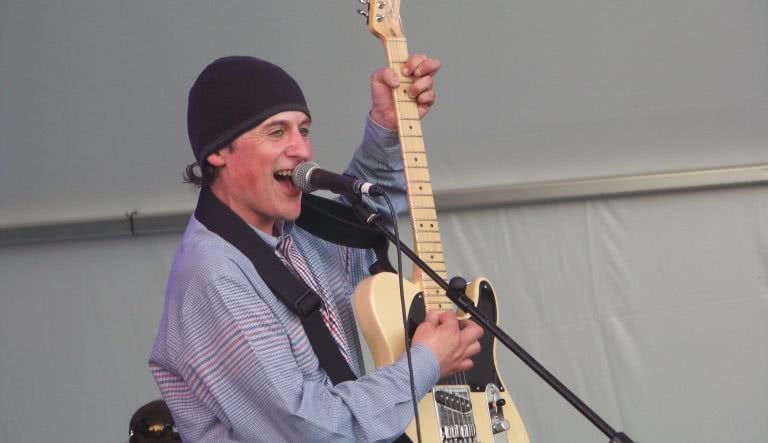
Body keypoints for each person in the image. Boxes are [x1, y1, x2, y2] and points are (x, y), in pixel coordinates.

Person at [149, 54, 483, 442]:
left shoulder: (295, 234)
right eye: (276, 132)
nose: (302, 150)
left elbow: (362, 221)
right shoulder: (215, 277)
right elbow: (310, 431)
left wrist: (389, 128)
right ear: (218, 151)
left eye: (303, 130)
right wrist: (427, 362)